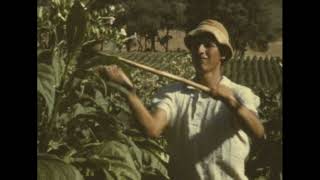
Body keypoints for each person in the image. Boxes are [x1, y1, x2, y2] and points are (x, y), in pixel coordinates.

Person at [102, 19, 265, 180]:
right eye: (195, 45)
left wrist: (231, 101)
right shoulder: (173, 94)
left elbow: (258, 132)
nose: (200, 50)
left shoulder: (239, 93)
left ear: (222, 54)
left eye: (208, 45)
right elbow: (152, 129)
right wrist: (130, 93)